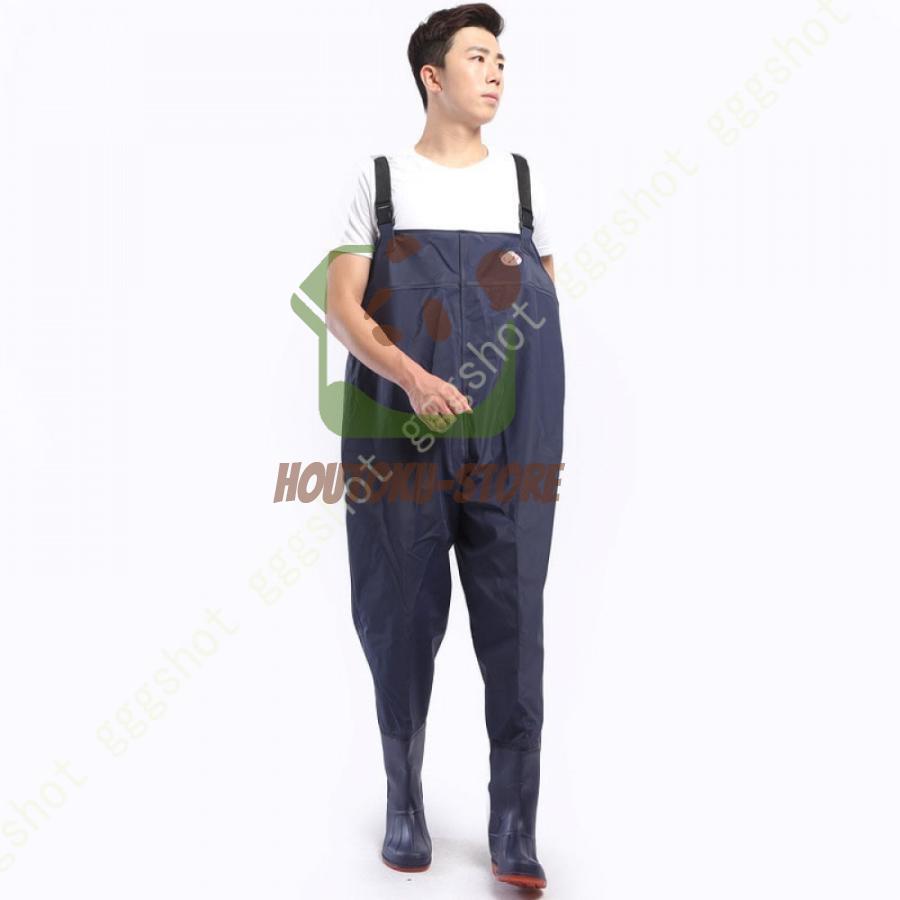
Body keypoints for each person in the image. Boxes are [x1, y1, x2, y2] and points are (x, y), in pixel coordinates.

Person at [325, 4, 565, 890]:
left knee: (516, 625)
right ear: (433, 76)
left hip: (511, 441)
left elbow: (543, 310)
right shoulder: (380, 182)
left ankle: (514, 825)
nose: (497, 71)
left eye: (502, 59)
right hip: (398, 434)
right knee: (397, 617)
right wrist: (413, 376)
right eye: (478, 56)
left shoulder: (523, 184)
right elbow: (343, 308)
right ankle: (404, 800)